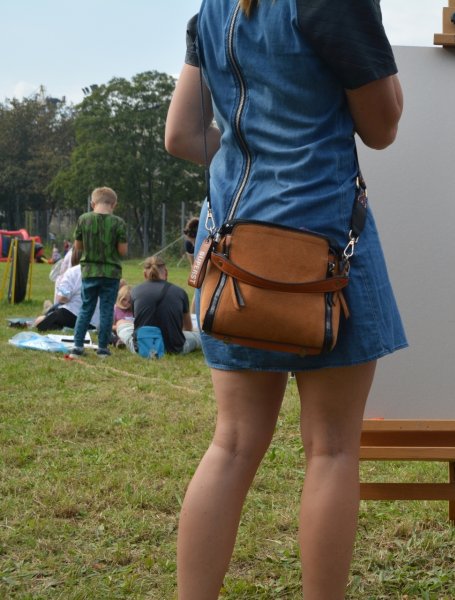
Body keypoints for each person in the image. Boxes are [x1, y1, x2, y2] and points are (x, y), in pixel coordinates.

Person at [164, 2, 404, 597]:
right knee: (331, 449)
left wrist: (253, 156)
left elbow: (182, 135)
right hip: (325, 253)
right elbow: (382, 126)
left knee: (233, 444)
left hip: (234, 255)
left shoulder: (214, 6)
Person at [70, 187, 128, 357]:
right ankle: (103, 348)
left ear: (92, 203)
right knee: (107, 310)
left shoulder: (83, 219)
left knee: (86, 308)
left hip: (89, 272)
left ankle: (78, 346)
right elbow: (122, 251)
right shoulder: (119, 223)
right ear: (114, 204)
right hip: (111, 274)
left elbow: (78, 247)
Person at [115, 256, 200, 355]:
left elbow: (137, 322)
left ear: (144, 274)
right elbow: (188, 327)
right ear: (166, 272)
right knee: (199, 335)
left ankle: (124, 341)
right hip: (174, 348)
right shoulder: (180, 292)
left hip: (144, 347)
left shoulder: (135, 291)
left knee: (121, 323)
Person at [33, 263, 99, 334]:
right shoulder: (105, 273)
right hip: (97, 321)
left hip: (75, 315)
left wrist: (59, 288)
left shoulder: (73, 272)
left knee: (40, 322)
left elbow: (63, 298)